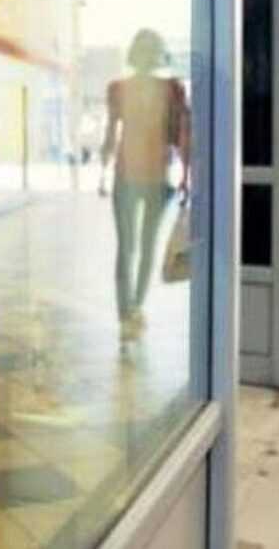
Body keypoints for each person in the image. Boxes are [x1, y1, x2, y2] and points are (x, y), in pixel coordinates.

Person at [100, 30, 190, 342]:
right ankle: (133, 310)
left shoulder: (132, 89)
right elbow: (182, 136)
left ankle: (129, 312)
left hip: (136, 176)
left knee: (129, 248)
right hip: (147, 176)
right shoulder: (168, 90)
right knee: (140, 247)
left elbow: (111, 135)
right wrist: (186, 175)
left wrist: (102, 171)